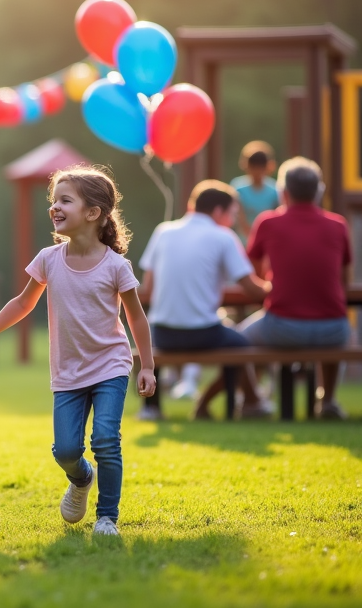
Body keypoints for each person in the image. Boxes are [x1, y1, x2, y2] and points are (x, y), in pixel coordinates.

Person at [0, 166, 155, 538]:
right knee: (65, 451)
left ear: (93, 213)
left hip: (111, 364)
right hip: (68, 371)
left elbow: (137, 319)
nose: (54, 207)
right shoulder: (48, 258)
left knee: (106, 439)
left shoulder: (116, 266)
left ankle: (107, 517)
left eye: (65, 201)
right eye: (53, 201)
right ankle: (81, 478)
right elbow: (23, 303)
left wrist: (148, 367)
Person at [139, 180, 271, 421]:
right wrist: (277, 286)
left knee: (233, 338)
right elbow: (253, 290)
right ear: (219, 211)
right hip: (202, 333)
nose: (232, 220)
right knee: (243, 345)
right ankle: (251, 401)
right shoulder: (223, 236)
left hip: (161, 333)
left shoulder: (163, 231)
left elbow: (148, 287)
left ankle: (151, 408)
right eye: (231, 214)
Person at [238, 157, 352, 420]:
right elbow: (344, 279)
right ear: (319, 192)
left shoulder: (268, 222)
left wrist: (272, 283)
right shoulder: (338, 225)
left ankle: (253, 400)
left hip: (282, 326)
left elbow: (251, 267)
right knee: (339, 325)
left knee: (236, 340)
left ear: (283, 192)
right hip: (333, 330)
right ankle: (328, 401)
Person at [231, 141, 280, 244]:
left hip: (266, 242)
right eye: (254, 166)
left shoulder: (275, 190)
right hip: (243, 243)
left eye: (261, 167)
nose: (257, 171)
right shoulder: (238, 188)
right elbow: (239, 219)